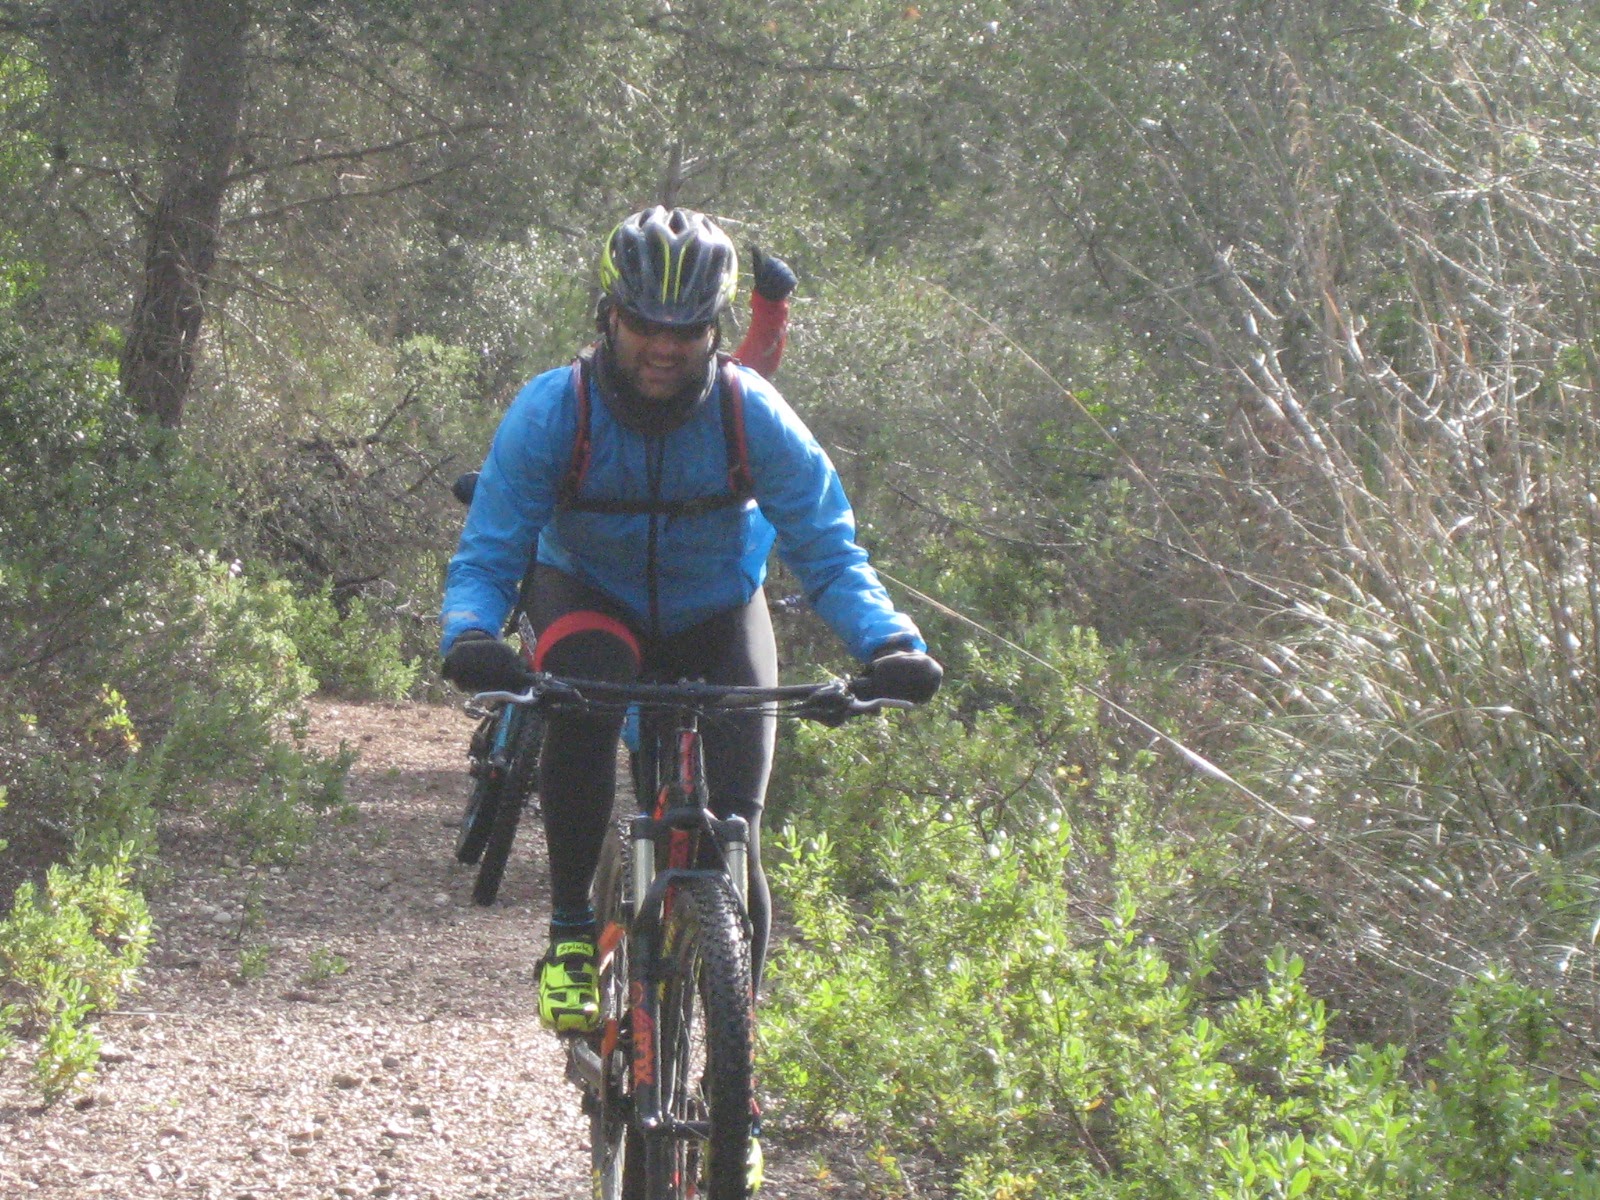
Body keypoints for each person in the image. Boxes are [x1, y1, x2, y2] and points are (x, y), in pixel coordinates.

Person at [438, 207, 942, 1040]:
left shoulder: (753, 413)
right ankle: (571, 934)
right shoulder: (554, 410)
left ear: (716, 327)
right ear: (609, 316)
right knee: (585, 698)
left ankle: (735, 1070)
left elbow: (826, 547)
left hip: (716, 606)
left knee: (737, 833)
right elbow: (492, 547)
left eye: (687, 328)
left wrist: (889, 642)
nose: (664, 347)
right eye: (644, 324)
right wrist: (470, 632)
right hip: (588, 593)